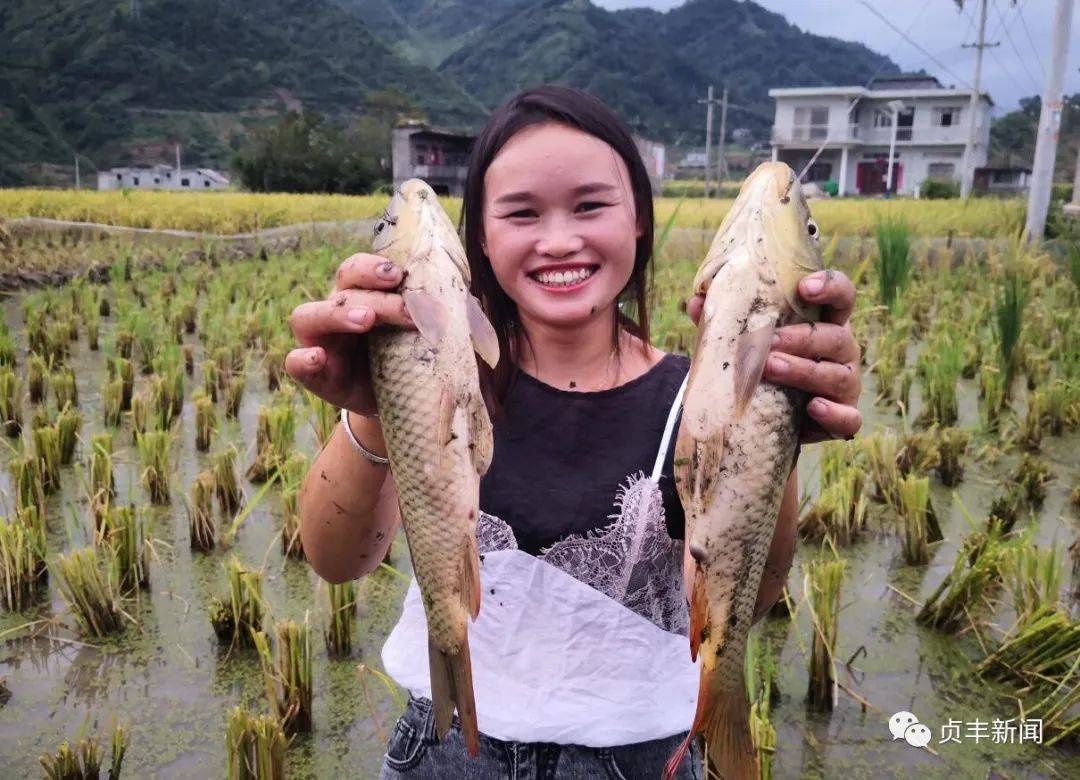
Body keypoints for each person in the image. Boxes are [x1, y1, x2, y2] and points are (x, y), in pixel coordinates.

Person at [286, 85, 862, 779]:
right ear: (482, 241)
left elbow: (754, 593)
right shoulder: (443, 373)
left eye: (590, 206)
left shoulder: (691, 390)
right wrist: (374, 405)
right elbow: (336, 560)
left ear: (640, 221)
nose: (559, 240)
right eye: (521, 213)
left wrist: (778, 430)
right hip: (443, 749)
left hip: (640, 755)